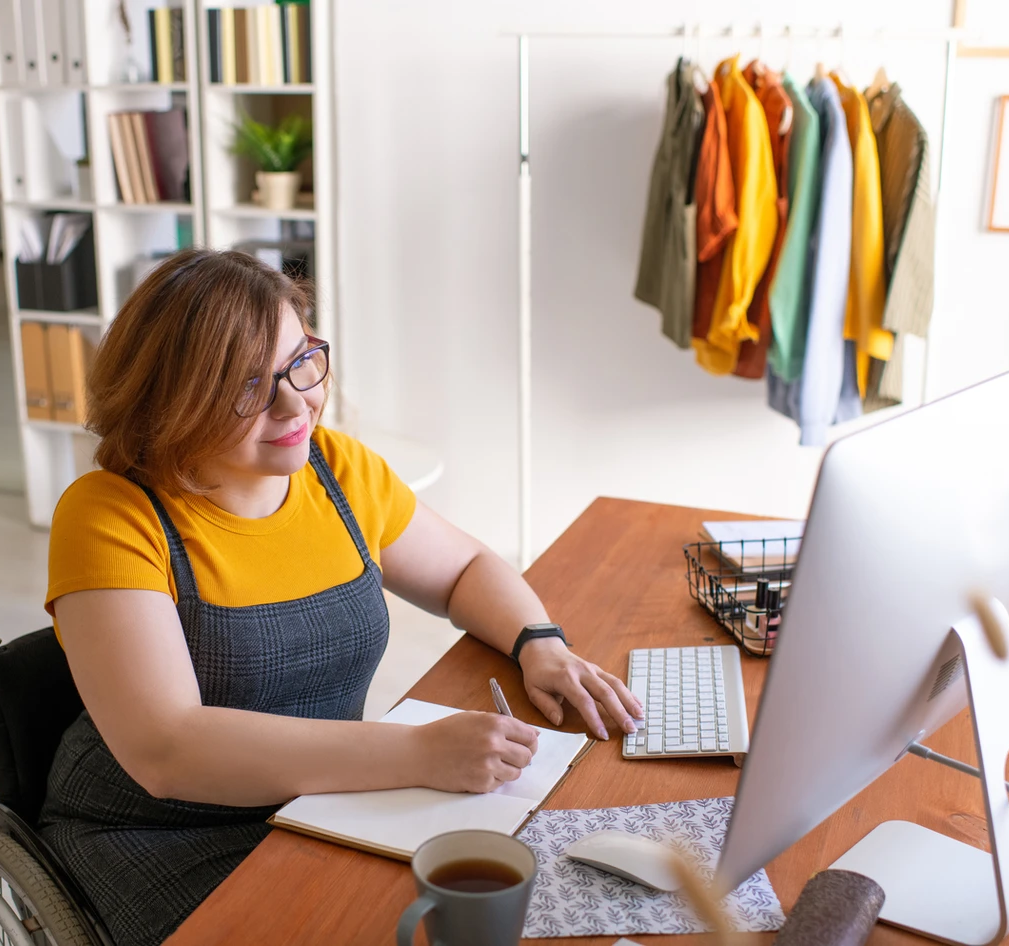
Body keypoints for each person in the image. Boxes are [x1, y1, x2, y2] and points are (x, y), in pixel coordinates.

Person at [38, 249, 641, 946]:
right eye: (246, 387)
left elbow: (465, 567)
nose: (295, 403)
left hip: (322, 797)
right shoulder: (111, 514)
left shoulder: (336, 470)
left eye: (301, 361)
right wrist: (415, 753)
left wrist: (539, 643)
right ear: (172, 397)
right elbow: (167, 749)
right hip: (156, 830)